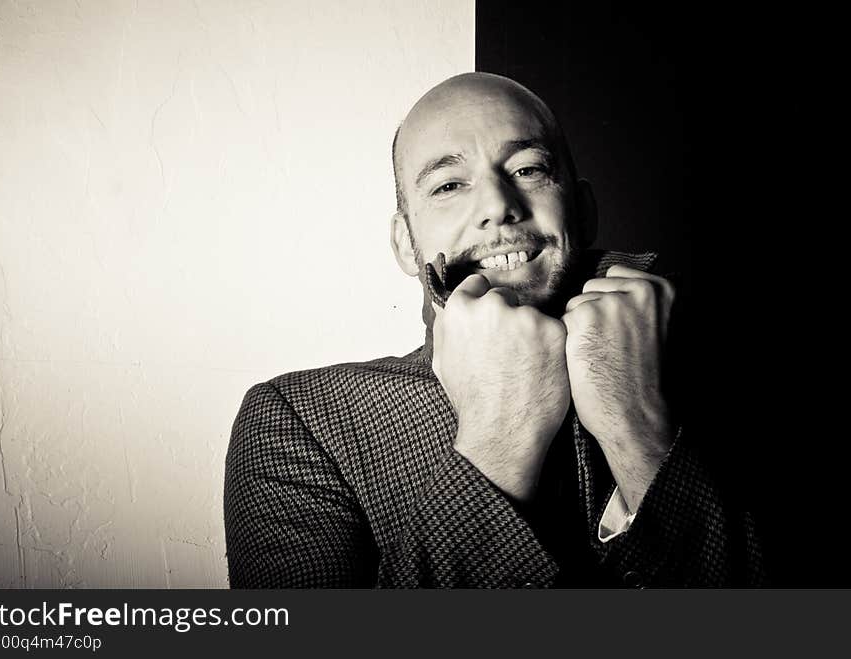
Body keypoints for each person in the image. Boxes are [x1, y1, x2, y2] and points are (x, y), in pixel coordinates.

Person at [223, 72, 764, 587]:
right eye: (449, 184)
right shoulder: (301, 420)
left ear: (583, 211)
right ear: (406, 244)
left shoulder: (719, 372)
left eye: (529, 170)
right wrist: (499, 437)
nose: (499, 208)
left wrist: (636, 426)